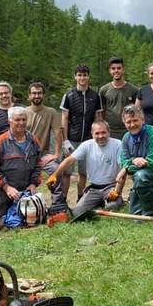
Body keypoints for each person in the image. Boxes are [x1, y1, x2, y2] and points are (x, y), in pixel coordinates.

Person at [45, 121, 124, 218]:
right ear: (92, 134)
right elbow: (69, 160)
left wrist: (117, 190)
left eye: (103, 132)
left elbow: (123, 169)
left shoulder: (118, 144)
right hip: (94, 189)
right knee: (77, 212)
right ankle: (99, 203)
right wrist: (54, 175)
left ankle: (110, 203)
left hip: (110, 187)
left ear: (109, 132)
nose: (100, 136)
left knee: (113, 207)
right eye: (97, 133)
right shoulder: (87, 145)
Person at [117, 105, 153, 216]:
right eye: (128, 122)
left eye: (135, 120)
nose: (132, 125)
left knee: (141, 176)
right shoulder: (125, 138)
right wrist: (132, 161)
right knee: (133, 212)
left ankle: (149, 212)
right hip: (142, 173)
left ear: (143, 120)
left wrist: (126, 169)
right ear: (124, 123)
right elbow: (124, 160)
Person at [0, 107, 42, 217]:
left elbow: (38, 165)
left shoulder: (33, 140)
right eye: (17, 120)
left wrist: (33, 183)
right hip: (3, 191)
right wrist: (6, 187)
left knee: (30, 219)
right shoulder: (0, 142)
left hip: (26, 189)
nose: (21, 123)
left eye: (24, 120)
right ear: (9, 121)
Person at [60, 64, 103, 202]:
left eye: (84, 75)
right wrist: (65, 140)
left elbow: (97, 119)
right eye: (79, 75)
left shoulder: (95, 96)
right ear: (75, 76)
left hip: (88, 140)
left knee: (83, 172)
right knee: (67, 172)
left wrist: (96, 139)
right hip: (72, 139)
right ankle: (63, 200)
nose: (82, 78)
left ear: (88, 76)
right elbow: (64, 119)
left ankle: (80, 199)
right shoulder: (69, 95)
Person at [25, 82, 62, 174]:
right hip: (24, 153)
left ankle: (56, 189)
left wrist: (56, 154)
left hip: (43, 154)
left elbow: (58, 133)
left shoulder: (51, 112)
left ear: (43, 95)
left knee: (57, 169)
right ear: (29, 96)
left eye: (39, 93)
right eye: (34, 93)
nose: (37, 96)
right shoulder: (23, 113)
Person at [99, 57, 138, 140]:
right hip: (110, 131)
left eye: (119, 68)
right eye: (113, 68)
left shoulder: (133, 90)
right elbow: (101, 112)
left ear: (123, 70)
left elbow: (137, 111)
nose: (116, 71)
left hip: (128, 131)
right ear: (110, 71)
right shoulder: (104, 90)